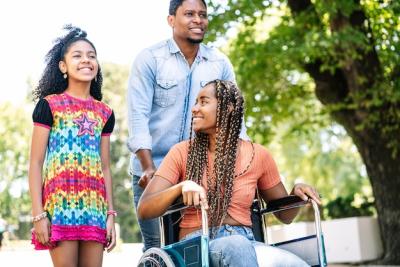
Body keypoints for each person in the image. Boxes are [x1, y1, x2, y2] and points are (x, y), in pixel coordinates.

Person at [138, 80, 322, 266]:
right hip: (196, 245)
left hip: (248, 243)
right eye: (195, 102)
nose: (194, 109)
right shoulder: (181, 152)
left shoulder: (259, 155)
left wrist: (296, 193)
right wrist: (181, 187)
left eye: (203, 102)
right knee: (236, 245)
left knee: (298, 264)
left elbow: (285, 216)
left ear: (228, 108)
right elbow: (144, 208)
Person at [127, 0, 247, 251]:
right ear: (171, 20)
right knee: (156, 247)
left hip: (201, 172)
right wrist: (149, 168)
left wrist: (245, 163)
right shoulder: (150, 59)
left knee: (199, 244)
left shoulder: (219, 63)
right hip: (155, 171)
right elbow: (138, 117)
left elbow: (235, 120)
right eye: (189, 14)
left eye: (202, 15)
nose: (198, 20)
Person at [28, 25, 117, 267]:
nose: (86, 60)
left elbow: (105, 167)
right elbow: (35, 163)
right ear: (63, 66)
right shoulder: (49, 106)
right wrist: (38, 215)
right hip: (60, 210)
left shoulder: (105, 112)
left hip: (95, 211)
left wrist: (110, 215)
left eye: (91, 55)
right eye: (77, 55)